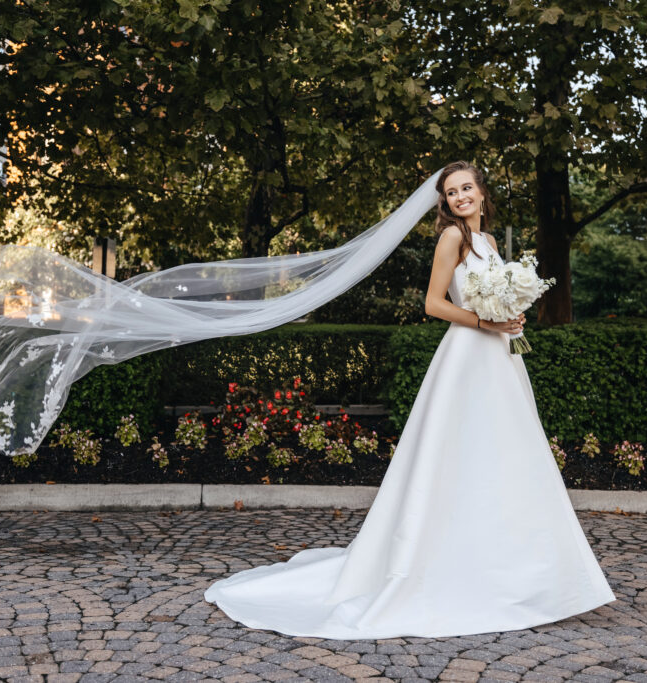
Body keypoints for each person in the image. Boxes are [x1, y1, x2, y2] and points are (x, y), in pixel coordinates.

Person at [202, 160, 617, 639]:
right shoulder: (453, 238)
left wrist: (512, 315)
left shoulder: (487, 240)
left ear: (482, 193)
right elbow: (434, 303)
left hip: (500, 358)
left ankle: (523, 570)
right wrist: (487, 322)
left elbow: (495, 296)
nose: (460, 197)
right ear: (446, 202)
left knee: (505, 455)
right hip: (468, 356)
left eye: (467, 188)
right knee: (460, 454)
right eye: (452, 192)